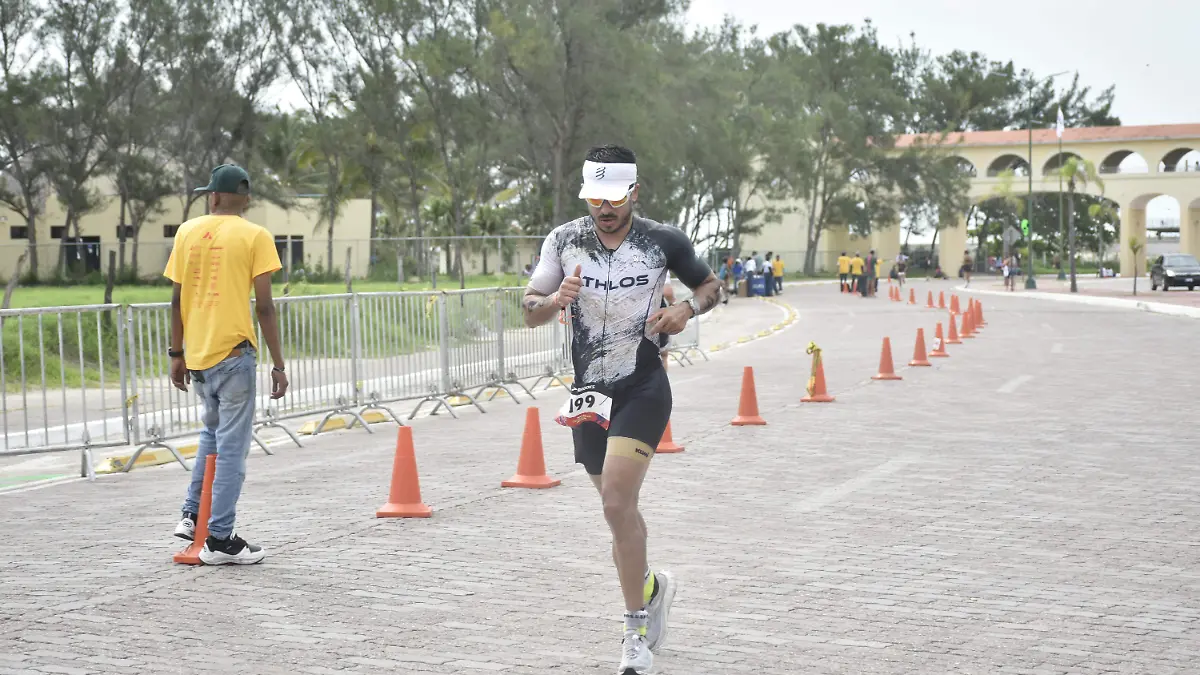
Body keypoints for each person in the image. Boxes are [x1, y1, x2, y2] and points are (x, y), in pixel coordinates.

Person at [522, 144, 722, 675]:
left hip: (643, 387)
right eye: (594, 197)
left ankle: (635, 633)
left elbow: (709, 285)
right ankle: (653, 588)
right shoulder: (564, 240)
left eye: (613, 197)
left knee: (615, 502)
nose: (604, 208)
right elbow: (529, 310)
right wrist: (553, 302)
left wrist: (684, 308)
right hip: (590, 394)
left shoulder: (662, 241)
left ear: (633, 191)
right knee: (620, 513)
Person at [166, 163, 289, 565]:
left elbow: (176, 299)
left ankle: (191, 516)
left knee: (211, 435)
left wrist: (176, 353)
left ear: (214, 196)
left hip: (198, 357)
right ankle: (220, 538)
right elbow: (265, 307)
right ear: (245, 198)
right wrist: (278, 363)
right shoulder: (256, 235)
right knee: (232, 449)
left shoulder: (187, 232)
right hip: (235, 357)